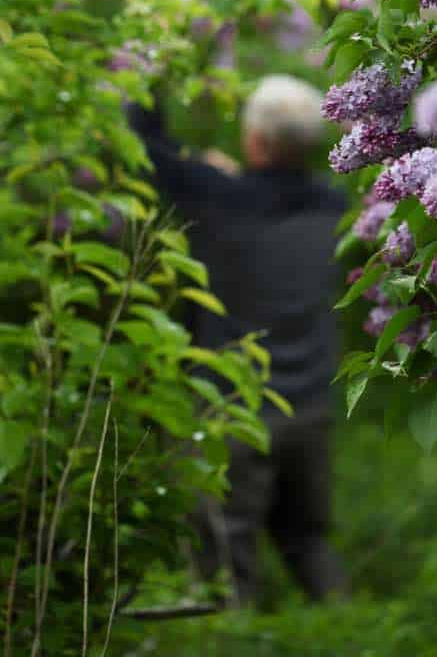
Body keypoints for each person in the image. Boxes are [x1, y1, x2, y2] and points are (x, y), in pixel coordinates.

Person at [127, 75, 348, 605]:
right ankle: (350, 632)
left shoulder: (218, 199)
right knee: (308, 541)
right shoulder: (331, 205)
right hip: (311, 405)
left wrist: (147, 66)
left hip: (234, 409)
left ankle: (228, 638)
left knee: (224, 557)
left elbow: (145, 145)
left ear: (256, 141)